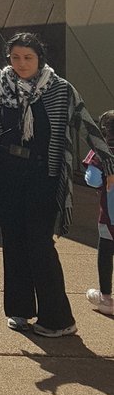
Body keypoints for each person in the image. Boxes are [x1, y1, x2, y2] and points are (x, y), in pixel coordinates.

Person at [0, 32, 114, 336]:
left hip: (44, 175)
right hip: (7, 173)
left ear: (40, 58)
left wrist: (108, 162)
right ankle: (20, 310)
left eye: (28, 57)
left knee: (40, 244)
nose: (21, 63)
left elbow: (86, 125)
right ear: (8, 59)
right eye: (15, 57)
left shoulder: (61, 89)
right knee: (12, 241)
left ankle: (59, 320)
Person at [83, 109, 114, 317]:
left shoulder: (101, 152)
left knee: (105, 252)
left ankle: (105, 297)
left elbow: (93, 179)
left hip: (110, 213)